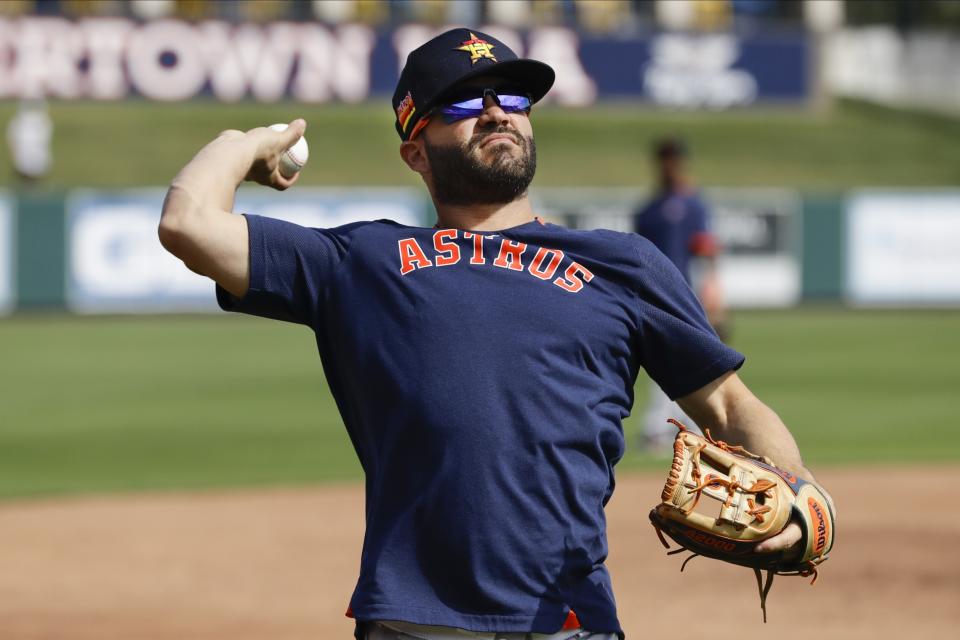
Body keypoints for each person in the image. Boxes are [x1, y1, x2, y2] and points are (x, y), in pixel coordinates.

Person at [159, 28, 828, 640]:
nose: (495, 110)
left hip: (569, 617)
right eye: (460, 103)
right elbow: (188, 223)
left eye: (510, 95)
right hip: (413, 622)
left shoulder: (622, 265)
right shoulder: (363, 262)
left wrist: (799, 495)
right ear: (415, 150)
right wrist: (244, 145)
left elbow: (732, 405)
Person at [633, 137, 726, 452]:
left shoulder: (693, 205)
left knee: (691, 359)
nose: (669, 164)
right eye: (665, 158)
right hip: (654, 294)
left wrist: (713, 293)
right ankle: (669, 428)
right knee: (663, 358)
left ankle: (681, 428)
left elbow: (706, 250)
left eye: (674, 158)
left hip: (687, 295)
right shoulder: (649, 209)